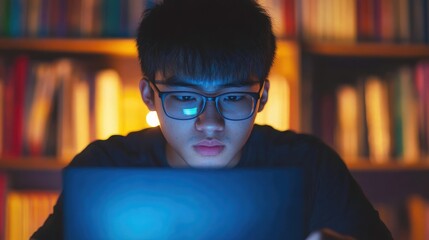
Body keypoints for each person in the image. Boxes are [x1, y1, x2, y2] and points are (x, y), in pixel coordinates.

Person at [32, 0, 393, 239]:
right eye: (186, 98)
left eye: (234, 98)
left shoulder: (310, 167)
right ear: (149, 96)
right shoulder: (105, 169)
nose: (210, 123)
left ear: (262, 96)